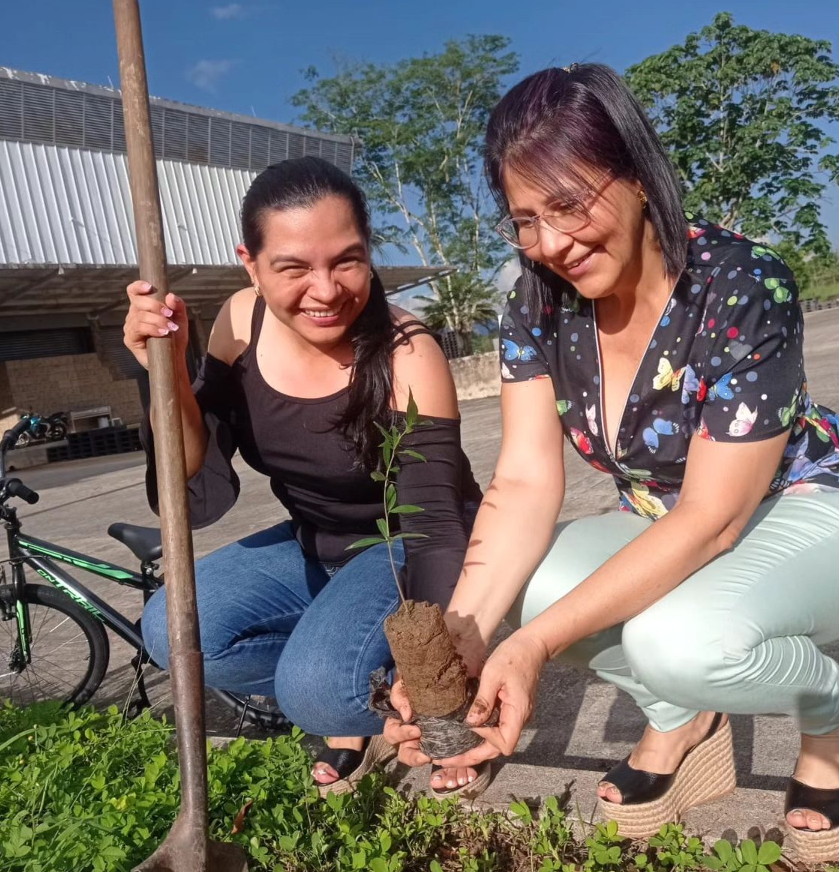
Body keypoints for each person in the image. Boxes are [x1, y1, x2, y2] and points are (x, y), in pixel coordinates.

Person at [385, 64, 839, 862]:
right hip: (677, 520)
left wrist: (530, 651)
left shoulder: (739, 283)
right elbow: (524, 480)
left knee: (681, 643)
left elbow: (715, 516)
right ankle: (681, 717)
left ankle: (828, 719)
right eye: (524, 218)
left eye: (567, 203)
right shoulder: (535, 300)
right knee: (517, 587)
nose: (550, 243)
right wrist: (465, 637)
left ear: (634, 174)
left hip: (803, 504)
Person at [123, 156, 482, 797]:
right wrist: (167, 368)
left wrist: (435, 681)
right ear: (251, 265)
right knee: (170, 628)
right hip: (312, 538)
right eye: (293, 267)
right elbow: (190, 469)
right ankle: (354, 677)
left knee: (315, 692)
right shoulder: (239, 320)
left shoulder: (407, 352)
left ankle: (403, 706)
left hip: (408, 542)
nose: (326, 290)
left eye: (347, 260)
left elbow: (436, 529)